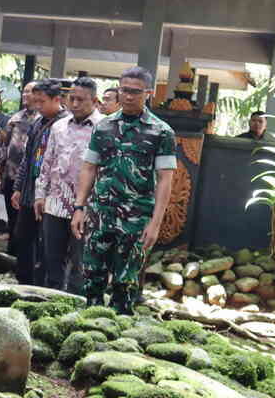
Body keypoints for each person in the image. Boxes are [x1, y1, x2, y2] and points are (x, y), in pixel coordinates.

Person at [72, 66, 177, 313]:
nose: (128, 96)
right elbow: (88, 168)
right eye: (124, 90)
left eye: (135, 92)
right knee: (92, 275)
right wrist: (79, 207)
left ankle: (119, 336)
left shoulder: (161, 132)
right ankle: (91, 325)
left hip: (136, 219)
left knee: (125, 282)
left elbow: (165, 180)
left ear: (148, 93)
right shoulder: (103, 127)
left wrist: (156, 223)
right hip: (100, 215)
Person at [32, 76, 103, 292]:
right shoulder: (59, 127)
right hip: (55, 204)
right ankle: (51, 302)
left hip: (87, 208)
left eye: (81, 100)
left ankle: (76, 307)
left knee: (80, 263)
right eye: (72, 98)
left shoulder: (105, 128)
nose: (74, 104)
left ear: (95, 101)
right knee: (52, 259)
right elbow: (47, 161)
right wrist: (39, 194)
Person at [10, 79, 68, 284]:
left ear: (56, 99)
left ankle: (42, 284)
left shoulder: (66, 124)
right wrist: (18, 187)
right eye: (35, 101)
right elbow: (28, 157)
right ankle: (23, 281)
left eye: (41, 102)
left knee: (47, 243)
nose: (37, 106)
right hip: (29, 189)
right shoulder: (38, 122)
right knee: (23, 237)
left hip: (53, 194)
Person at [2, 82, 39, 249]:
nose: (25, 95)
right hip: (11, 174)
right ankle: (11, 249)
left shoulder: (41, 119)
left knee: (25, 219)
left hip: (30, 178)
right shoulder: (15, 118)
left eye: (30, 92)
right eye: (24, 91)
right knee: (12, 215)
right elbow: (4, 145)